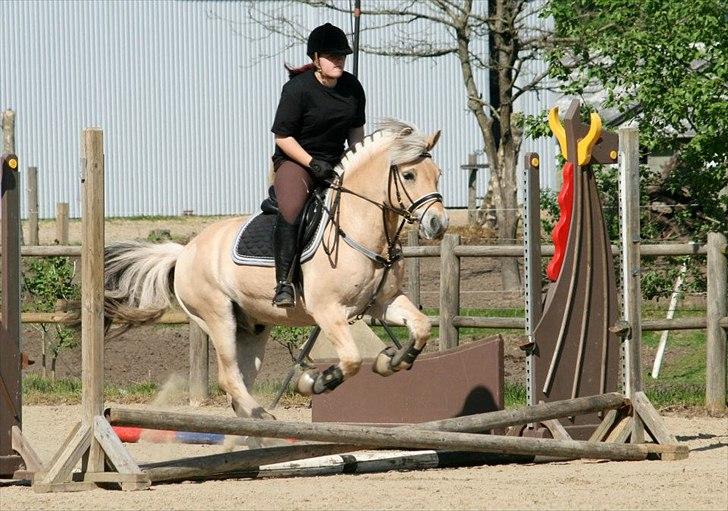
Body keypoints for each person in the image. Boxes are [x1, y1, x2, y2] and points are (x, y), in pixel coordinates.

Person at [270, 23, 366, 307]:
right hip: (296, 160)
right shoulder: (297, 89)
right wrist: (312, 164)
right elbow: (282, 137)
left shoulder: (352, 87)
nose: (338, 60)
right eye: (331, 56)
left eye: (342, 56)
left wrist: (357, 161)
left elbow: (356, 132)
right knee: (292, 207)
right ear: (315, 58)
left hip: (336, 162)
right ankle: (284, 283)